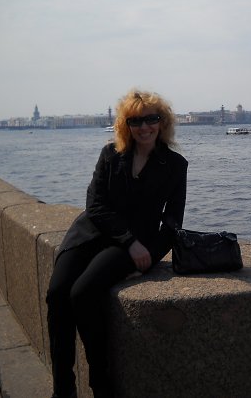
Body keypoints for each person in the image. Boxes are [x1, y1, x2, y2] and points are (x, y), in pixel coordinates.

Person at [46, 89, 187, 398]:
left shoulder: (175, 165)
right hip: (91, 233)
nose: (144, 127)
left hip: (128, 246)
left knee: (82, 294)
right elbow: (95, 205)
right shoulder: (111, 154)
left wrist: (148, 255)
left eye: (151, 119)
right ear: (126, 125)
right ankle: (63, 389)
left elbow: (172, 223)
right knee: (57, 294)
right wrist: (129, 239)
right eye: (135, 121)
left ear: (163, 122)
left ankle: (101, 384)